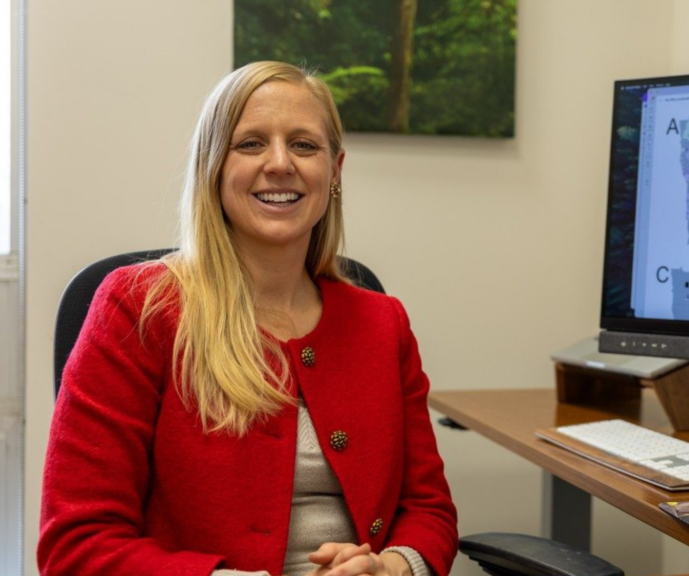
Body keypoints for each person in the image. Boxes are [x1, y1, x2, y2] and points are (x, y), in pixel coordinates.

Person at [37, 61, 458, 576]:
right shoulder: (139, 310)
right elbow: (77, 543)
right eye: (251, 144)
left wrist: (391, 568)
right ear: (212, 167)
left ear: (335, 171)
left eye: (304, 145)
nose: (280, 163)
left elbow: (429, 509)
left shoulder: (382, 322)